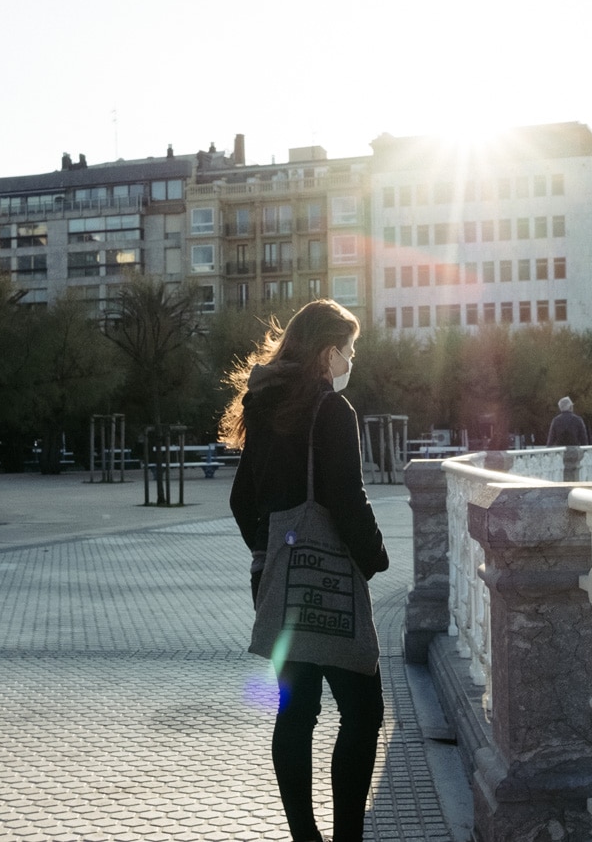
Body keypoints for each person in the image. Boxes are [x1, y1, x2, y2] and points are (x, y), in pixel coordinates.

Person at [221, 299, 389, 842]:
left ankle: (304, 838)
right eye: (349, 349)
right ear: (326, 352)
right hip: (330, 584)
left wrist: (271, 551)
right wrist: (375, 557)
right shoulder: (332, 412)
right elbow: (347, 498)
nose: (351, 359)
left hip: (275, 580)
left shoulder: (264, 407)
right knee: (363, 713)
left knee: (296, 712)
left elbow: (241, 498)